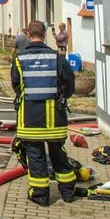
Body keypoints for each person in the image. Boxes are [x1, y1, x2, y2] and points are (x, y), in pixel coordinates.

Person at [11, 20, 77, 206]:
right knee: (59, 156)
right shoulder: (57, 58)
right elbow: (69, 84)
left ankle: (41, 196)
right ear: (45, 34)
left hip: (29, 119)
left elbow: (16, 86)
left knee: (36, 158)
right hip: (55, 119)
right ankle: (68, 193)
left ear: (28, 34)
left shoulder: (19, 59)